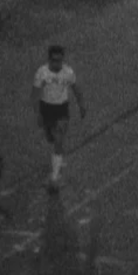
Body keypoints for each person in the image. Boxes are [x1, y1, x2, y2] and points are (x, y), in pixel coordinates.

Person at [32, 46, 87, 192]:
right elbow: (35, 94)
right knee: (50, 138)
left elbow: (76, 88)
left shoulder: (68, 72)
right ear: (49, 59)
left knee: (58, 139)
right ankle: (58, 159)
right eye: (54, 60)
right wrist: (38, 114)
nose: (57, 64)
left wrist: (81, 105)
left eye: (60, 60)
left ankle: (54, 177)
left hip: (61, 109)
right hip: (47, 109)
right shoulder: (41, 73)